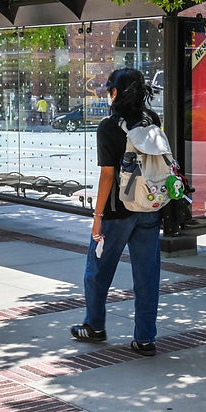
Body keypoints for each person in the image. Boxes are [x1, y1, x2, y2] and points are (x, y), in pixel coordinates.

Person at [71, 68, 162, 356]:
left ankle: (95, 326)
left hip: (117, 212)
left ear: (115, 92)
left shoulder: (109, 126)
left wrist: (96, 218)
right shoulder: (152, 120)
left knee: (96, 271)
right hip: (149, 206)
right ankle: (145, 338)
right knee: (147, 276)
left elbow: (107, 176)